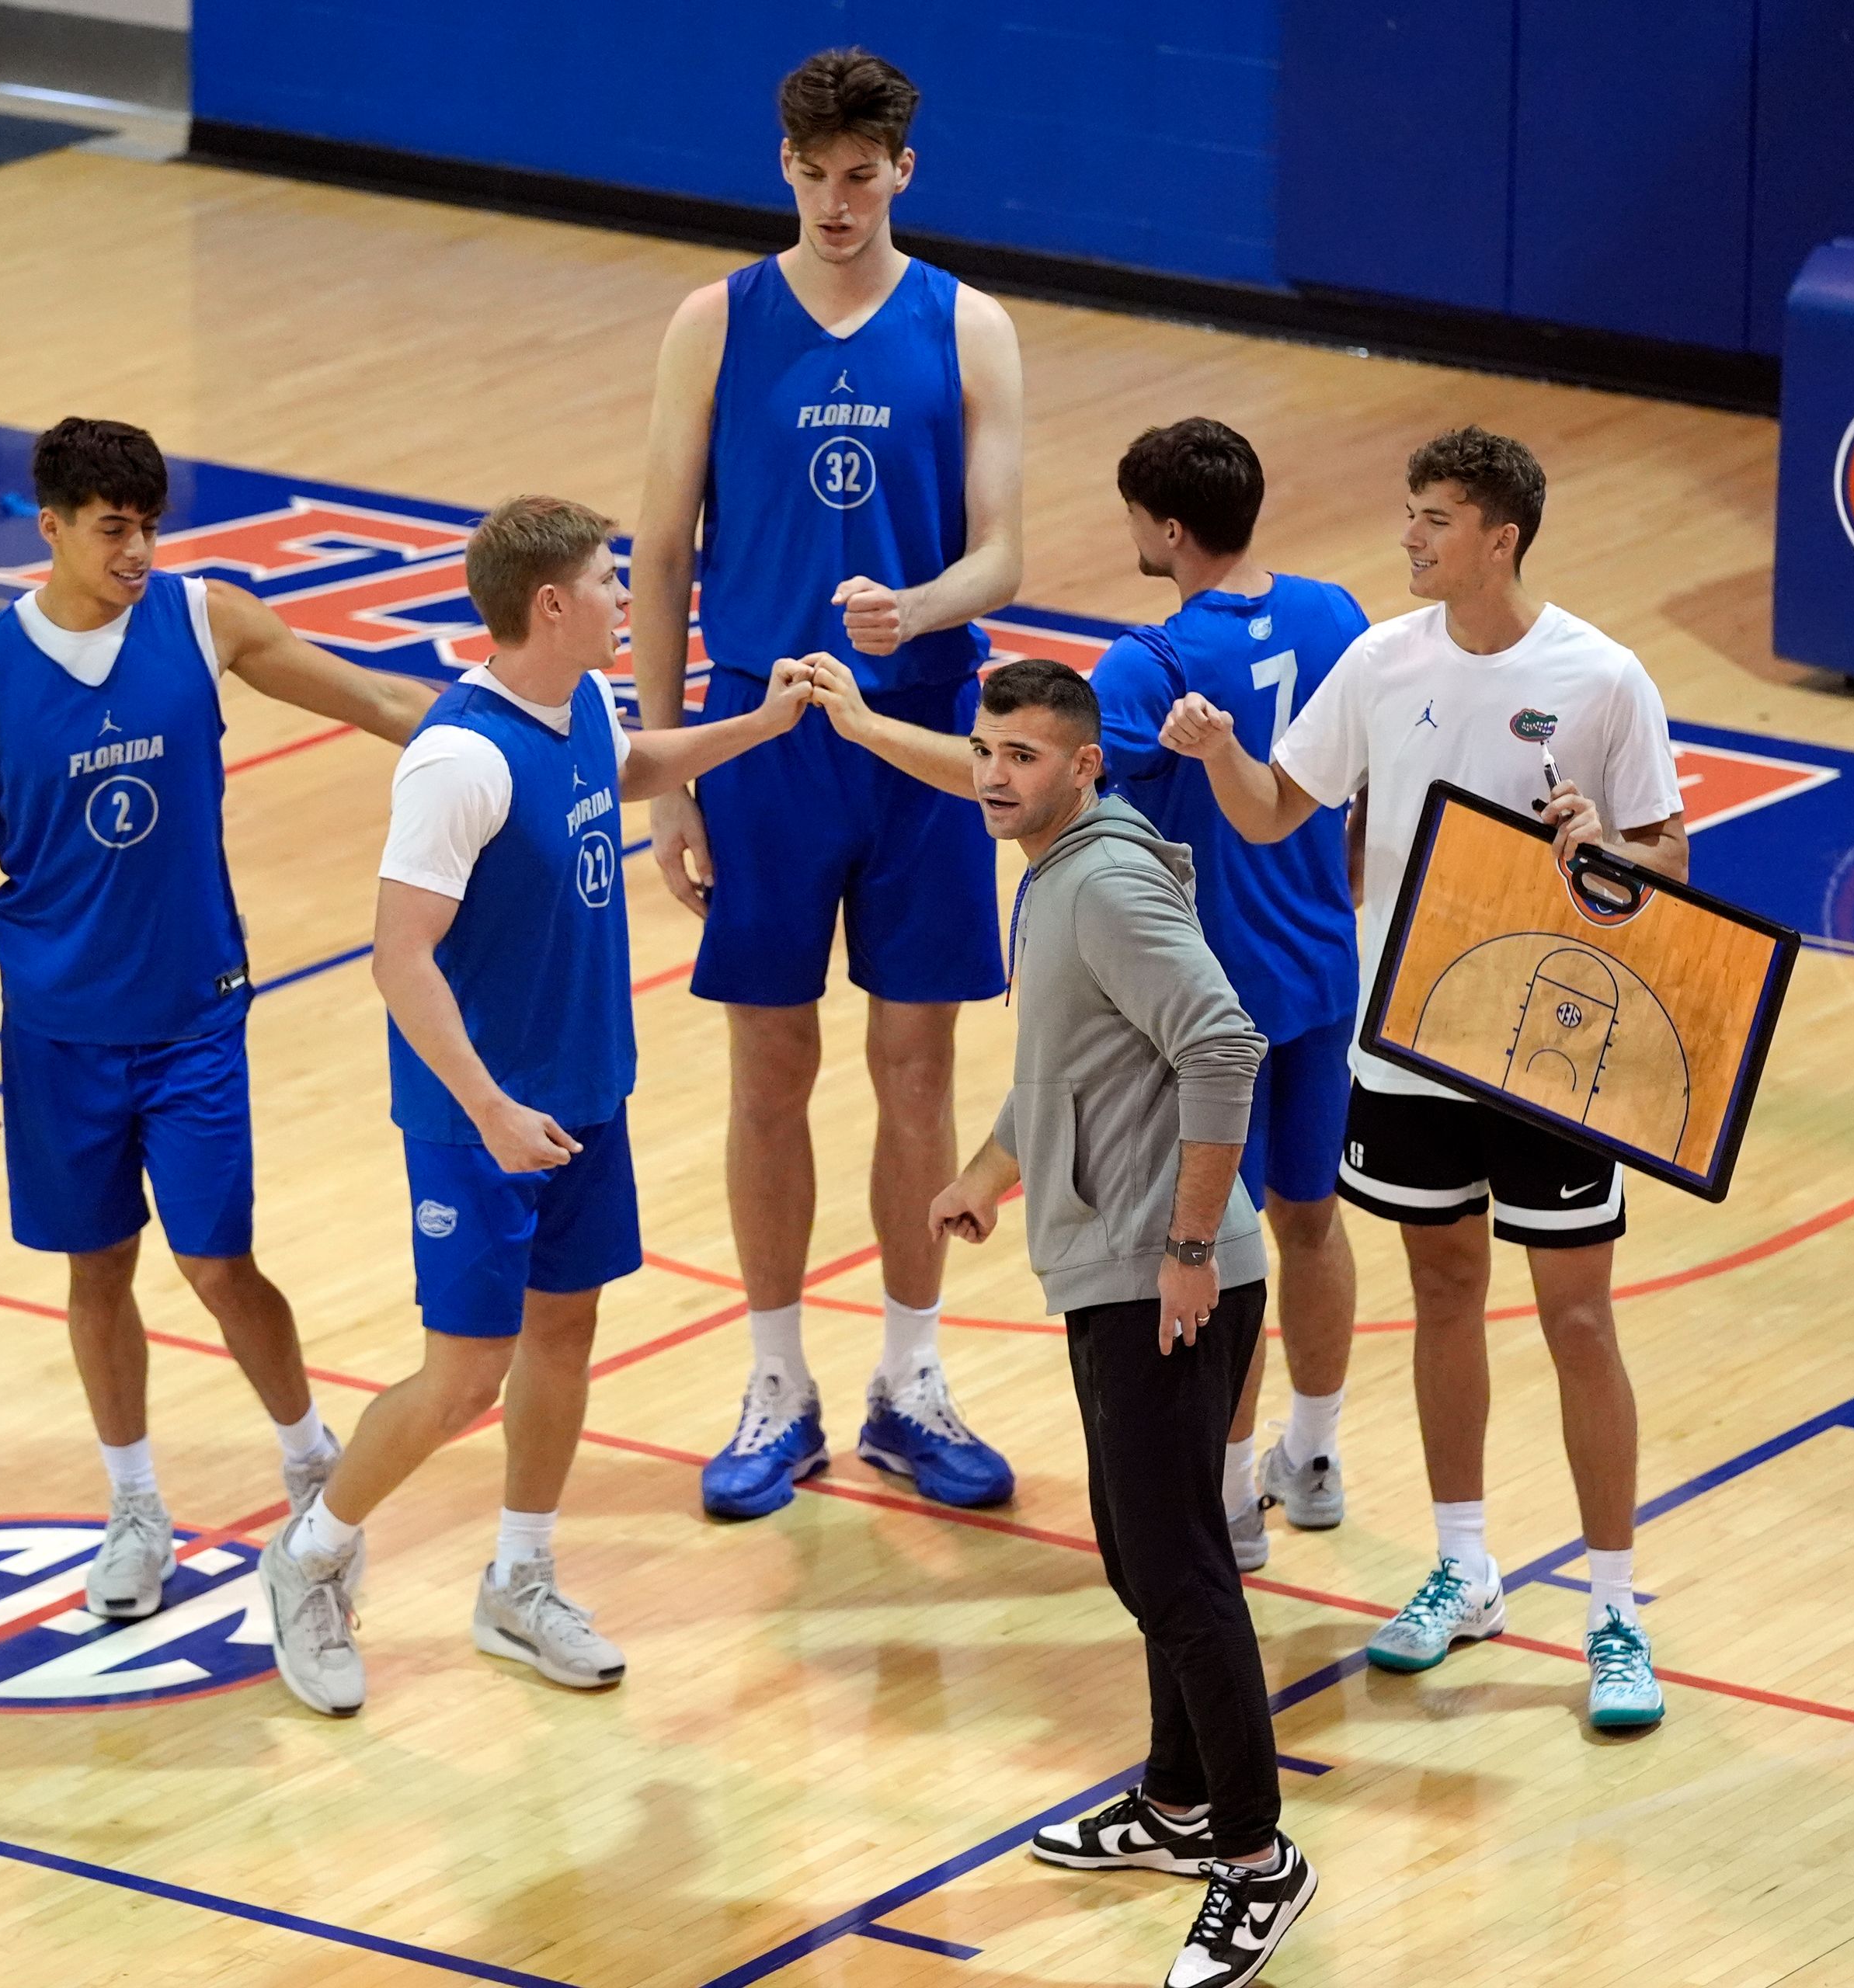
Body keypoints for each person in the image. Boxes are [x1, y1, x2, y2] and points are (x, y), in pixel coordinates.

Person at [1159, 426, 1685, 1731]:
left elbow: (1670, 862)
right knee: (1444, 1293)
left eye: (1434, 517)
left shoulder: (1604, 677)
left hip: (1554, 1042)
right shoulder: (1380, 664)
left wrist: (1605, 843)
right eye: (1410, 513)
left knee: (1577, 1318)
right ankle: (1464, 1567)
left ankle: (1615, 1608)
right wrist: (1217, 747)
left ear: (1499, 536)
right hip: (1407, 1043)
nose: (1409, 537)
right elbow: (1278, 811)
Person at [259, 498, 812, 1717]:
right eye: (610, 584)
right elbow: (400, 957)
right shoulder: (458, 759)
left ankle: (520, 1578)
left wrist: (760, 726)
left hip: (584, 1096)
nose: (630, 601)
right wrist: (491, 1106)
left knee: (564, 1342)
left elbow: (630, 770)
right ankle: (308, 1556)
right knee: (464, 1375)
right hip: (480, 1119)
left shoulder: (583, 705)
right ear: (551, 606)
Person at [810, 417, 1369, 1573]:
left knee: (1230, 1246)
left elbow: (1011, 778)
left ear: (1167, 529)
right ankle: (1312, 1457)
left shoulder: (1151, 665)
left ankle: (1228, 1497)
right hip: (1324, 966)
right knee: (1315, 1223)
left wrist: (864, 728)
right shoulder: (1335, 614)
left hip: (1215, 994)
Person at [0, 416, 437, 1624]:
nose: (137, 549)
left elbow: (376, 698)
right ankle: (136, 1507)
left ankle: (313, 1463)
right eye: (113, 528)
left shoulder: (207, 621)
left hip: (195, 1019)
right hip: (55, 1033)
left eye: (149, 525)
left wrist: (503, 726)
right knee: (97, 1268)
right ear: (50, 527)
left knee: (215, 1260)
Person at [631, 46, 1027, 1519]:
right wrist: (668, 771)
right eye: (816, 174)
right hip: (761, 733)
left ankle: (911, 1383)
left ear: (903, 170)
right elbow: (661, 550)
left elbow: (1004, 554)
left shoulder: (970, 325)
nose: (840, 200)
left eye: (865, 176)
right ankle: (776, 1383)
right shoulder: (714, 322)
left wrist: (918, 612)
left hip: (920, 732)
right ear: (783, 166)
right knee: (769, 1071)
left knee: (916, 1071)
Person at [928, 660, 1314, 1988]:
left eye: (1024, 756)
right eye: (986, 749)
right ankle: (1177, 1801)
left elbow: (1223, 1044)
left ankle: (1257, 1860)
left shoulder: (1099, 883)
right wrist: (989, 1172)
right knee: (1146, 1559)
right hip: (1126, 1268)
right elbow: (1072, 1070)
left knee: (1183, 1575)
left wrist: (1190, 1248)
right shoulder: (1056, 872)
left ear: (1085, 767)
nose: (994, 774)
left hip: (1168, 1281)